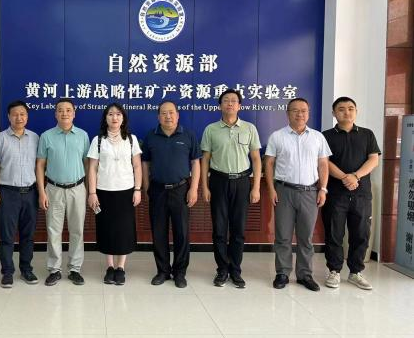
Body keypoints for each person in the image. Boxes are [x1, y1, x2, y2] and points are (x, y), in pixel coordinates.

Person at [264, 97, 331, 292]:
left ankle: (305, 275)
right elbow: (269, 163)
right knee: (283, 236)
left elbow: (323, 164)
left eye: (303, 110)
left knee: (306, 237)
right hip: (284, 191)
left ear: (308, 113)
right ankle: (282, 273)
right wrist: (271, 189)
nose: (299, 114)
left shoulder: (318, 137)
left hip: (310, 192)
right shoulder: (277, 136)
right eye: (295, 110)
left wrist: (323, 189)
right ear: (287, 113)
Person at [200, 89, 261, 288]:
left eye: (234, 101)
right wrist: (204, 186)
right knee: (219, 229)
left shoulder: (249, 128)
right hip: (218, 181)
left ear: (239, 106)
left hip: (242, 183)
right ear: (220, 105)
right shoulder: (211, 129)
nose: (230, 103)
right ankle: (222, 270)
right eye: (226, 100)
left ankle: (235, 270)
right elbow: (205, 160)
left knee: (238, 230)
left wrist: (256, 187)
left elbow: (256, 159)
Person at [322, 97, 380, 290]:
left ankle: (356, 272)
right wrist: (344, 178)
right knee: (334, 233)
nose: (346, 112)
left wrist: (355, 176)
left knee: (361, 234)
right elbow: (324, 162)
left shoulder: (367, 134)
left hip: (361, 194)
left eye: (350, 108)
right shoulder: (325, 136)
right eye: (341, 109)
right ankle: (334, 271)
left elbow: (373, 160)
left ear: (356, 111)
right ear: (333, 113)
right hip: (335, 194)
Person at [141, 101, 201, 288]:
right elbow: (145, 163)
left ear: (177, 115)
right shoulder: (151, 136)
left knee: (181, 233)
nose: (168, 116)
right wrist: (146, 187)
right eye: (164, 113)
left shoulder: (188, 135)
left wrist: (194, 189)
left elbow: (196, 163)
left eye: (171, 112)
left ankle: (180, 272)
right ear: (158, 116)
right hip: (157, 189)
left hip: (181, 189)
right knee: (158, 232)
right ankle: (163, 271)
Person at [36, 99, 90, 286]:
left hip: (77, 189)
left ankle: (75, 269)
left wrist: (89, 190)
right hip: (53, 189)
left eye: (68, 110)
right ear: (55, 114)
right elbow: (40, 165)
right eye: (60, 110)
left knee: (77, 230)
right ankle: (54, 269)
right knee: (53, 230)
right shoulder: (46, 136)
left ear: (74, 113)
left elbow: (87, 164)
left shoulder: (83, 135)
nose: (64, 113)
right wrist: (42, 192)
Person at [87, 103, 142, 285]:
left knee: (124, 229)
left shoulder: (131, 139)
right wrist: (92, 192)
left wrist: (138, 189)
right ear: (105, 118)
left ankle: (121, 267)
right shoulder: (98, 140)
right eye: (110, 114)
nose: (114, 117)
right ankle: (110, 266)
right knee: (107, 228)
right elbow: (92, 168)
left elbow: (137, 166)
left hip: (126, 191)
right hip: (103, 191)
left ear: (123, 118)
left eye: (118, 114)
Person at [0, 100, 40, 288]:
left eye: (22, 114)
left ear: (27, 116)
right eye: (15, 114)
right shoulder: (0, 139)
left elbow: (40, 166)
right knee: (7, 236)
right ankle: (7, 272)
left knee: (28, 235)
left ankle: (26, 269)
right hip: (8, 193)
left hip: (30, 193)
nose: (19, 117)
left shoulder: (35, 138)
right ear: (8, 117)